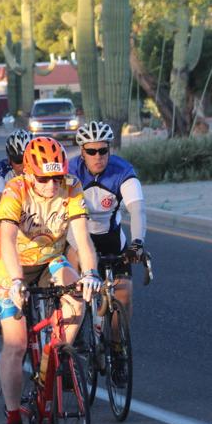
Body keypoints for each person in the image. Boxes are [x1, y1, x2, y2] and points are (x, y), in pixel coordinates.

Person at [0, 136, 100, 424]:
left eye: (57, 177)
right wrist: (16, 281)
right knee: (15, 344)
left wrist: (90, 273)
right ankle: (13, 418)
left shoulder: (72, 186)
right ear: (28, 172)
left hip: (50, 258)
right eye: (43, 178)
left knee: (78, 295)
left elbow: (83, 238)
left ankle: (56, 356)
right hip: (11, 263)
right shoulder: (15, 190)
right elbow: (7, 240)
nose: (52, 185)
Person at [68, 120, 147, 324]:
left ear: (109, 149)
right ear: (82, 152)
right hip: (79, 236)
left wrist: (137, 243)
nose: (98, 156)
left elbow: (137, 209)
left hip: (111, 237)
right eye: (91, 151)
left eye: (103, 150)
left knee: (124, 294)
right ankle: (74, 331)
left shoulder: (122, 170)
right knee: (74, 291)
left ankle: (117, 341)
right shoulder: (70, 171)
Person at [0, 129, 32, 237]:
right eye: (18, 160)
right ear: (9, 159)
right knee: (1, 235)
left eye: (27, 160)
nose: (23, 166)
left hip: (34, 215)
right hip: (2, 214)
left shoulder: (40, 167)